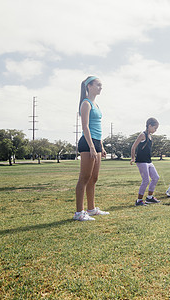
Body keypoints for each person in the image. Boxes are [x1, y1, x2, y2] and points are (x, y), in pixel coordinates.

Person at [74, 76, 109, 221]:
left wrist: (101, 146)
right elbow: (85, 127)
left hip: (96, 143)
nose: (101, 87)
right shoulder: (86, 104)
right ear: (89, 86)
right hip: (87, 143)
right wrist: (91, 146)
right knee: (84, 177)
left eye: (101, 85)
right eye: (98, 85)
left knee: (94, 178)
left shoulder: (96, 104)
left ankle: (91, 209)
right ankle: (79, 213)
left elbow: (98, 128)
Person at [130, 118, 161, 206]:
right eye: (155, 128)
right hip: (141, 161)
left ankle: (149, 198)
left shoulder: (150, 136)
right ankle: (139, 200)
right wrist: (133, 158)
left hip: (148, 161)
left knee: (155, 177)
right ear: (149, 126)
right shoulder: (142, 135)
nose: (155, 130)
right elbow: (133, 147)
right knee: (146, 180)